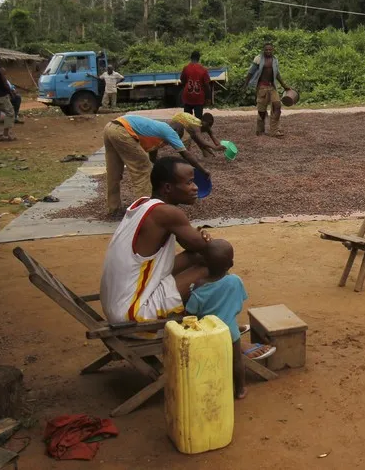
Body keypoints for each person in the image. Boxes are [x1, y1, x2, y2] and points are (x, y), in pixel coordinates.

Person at [99, 157, 274, 400]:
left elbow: (192, 248)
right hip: (132, 313)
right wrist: (203, 240)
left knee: (201, 260)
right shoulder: (168, 214)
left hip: (119, 303)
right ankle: (225, 329)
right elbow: (208, 251)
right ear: (168, 188)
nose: (195, 187)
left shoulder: (143, 205)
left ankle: (222, 319)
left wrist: (199, 241)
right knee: (212, 267)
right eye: (189, 182)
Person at [185, 239, 272, 399]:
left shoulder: (198, 288)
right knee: (236, 360)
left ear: (204, 263)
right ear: (230, 264)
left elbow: (191, 311)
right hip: (229, 331)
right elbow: (239, 302)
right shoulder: (235, 281)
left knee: (207, 360)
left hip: (207, 332)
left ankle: (209, 388)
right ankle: (240, 390)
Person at [102, 113, 211, 217]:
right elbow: (186, 154)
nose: (169, 143)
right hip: (122, 130)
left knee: (114, 173)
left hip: (110, 128)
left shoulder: (156, 132)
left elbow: (152, 160)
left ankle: (114, 208)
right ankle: (144, 211)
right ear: (176, 131)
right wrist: (203, 169)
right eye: (173, 139)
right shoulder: (169, 131)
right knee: (143, 170)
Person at [244, 43, 291, 137]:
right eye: (266, 50)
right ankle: (260, 130)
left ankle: (274, 130)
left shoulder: (275, 60)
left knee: (277, 106)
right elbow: (250, 72)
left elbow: (277, 74)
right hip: (262, 87)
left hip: (272, 87)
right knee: (262, 110)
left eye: (270, 50)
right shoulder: (258, 59)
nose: (268, 51)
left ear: (273, 50)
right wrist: (245, 84)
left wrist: (284, 85)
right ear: (263, 50)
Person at [180, 51, 210, 120]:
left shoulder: (186, 68)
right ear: (199, 58)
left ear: (191, 58)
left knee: (187, 120)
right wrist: (208, 98)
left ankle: (188, 130)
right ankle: (197, 130)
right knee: (198, 120)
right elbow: (207, 85)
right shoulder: (203, 70)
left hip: (187, 96)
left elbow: (182, 81)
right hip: (199, 98)